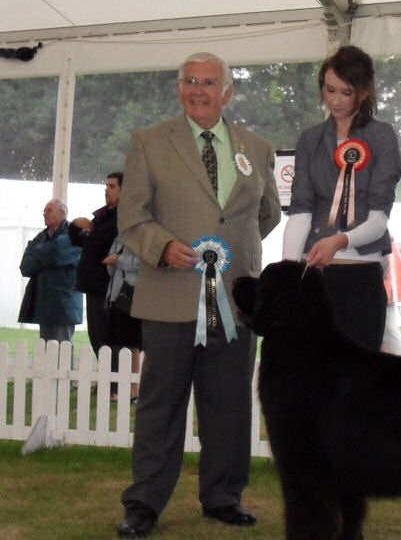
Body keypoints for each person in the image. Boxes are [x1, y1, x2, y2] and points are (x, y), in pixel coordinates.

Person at [115, 52, 280, 538]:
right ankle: (144, 503)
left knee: (229, 404)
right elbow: (132, 217)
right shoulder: (148, 143)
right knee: (160, 405)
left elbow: (264, 215)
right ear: (177, 88)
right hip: (168, 295)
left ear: (227, 92)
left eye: (209, 82)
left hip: (235, 303)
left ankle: (223, 497)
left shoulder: (256, 146)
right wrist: (163, 247)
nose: (198, 89)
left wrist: (239, 254)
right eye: (189, 80)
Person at [282, 45, 401, 351]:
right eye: (329, 89)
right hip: (317, 278)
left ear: (364, 92)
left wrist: (339, 241)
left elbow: (378, 219)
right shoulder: (310, 139)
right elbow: (300, 210)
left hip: (362, 276)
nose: (335, 100)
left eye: (345, 92)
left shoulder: (382, 136)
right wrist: (288, 273)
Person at [68, 173, 121, 357]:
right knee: (97, 338)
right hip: (94, 286)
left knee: (109, 341)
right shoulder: (102, 216)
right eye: (106, 186)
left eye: (112, 186)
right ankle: (107, 382)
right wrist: (74, 226)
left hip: (109, 287)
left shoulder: (123, 218)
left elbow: (98, 242)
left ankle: (113, 384)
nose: (107, 190)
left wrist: (90, 235)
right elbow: (81, 241)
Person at [18, 198, 83, 342]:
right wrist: (47, 253)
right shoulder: (42, 236)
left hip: (64, 303)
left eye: (49, 210)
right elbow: (25, 267)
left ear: (62, 213)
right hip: (44, 304)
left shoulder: (74, 235)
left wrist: (37, 252)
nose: (44, 214)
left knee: (61, 350)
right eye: (44, 211)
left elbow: (56, 254)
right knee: (47, 351)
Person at [103, 236, 142, 402]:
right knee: (118, 342)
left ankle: (135, 389)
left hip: (134, 295)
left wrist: (119, 260)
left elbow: (142, 262)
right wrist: (113, 263)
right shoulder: (120, 237)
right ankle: (123, 387)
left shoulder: (142, 235)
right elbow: (110, 265)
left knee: (133, 345)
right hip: (116, 294)